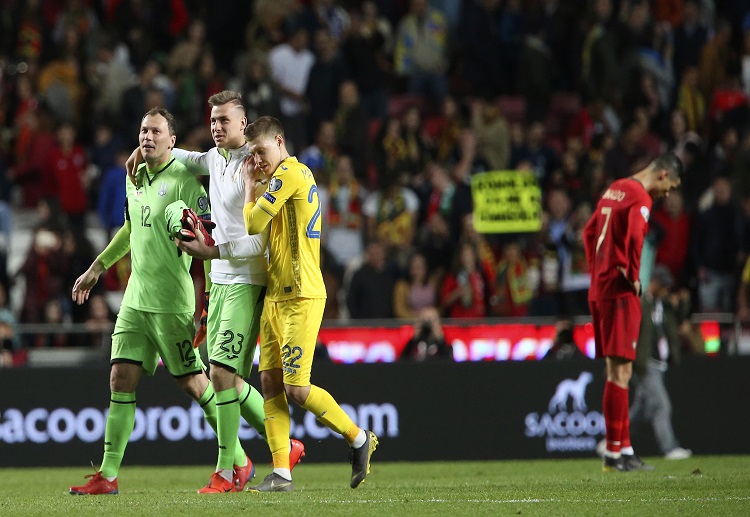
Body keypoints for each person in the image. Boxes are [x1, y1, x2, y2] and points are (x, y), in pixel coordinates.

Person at [67, 108, 251, 495]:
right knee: (120, 378)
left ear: (172, 140)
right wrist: (98, 267)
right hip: (136, 299)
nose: (147, 136)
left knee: (193, 383)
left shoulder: (185, 179)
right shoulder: (133, 176)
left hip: (172, 301)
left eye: (156, 131)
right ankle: (108, 476)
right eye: (142, 130)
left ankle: (238, 459)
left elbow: (207, 238)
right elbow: (131, 228)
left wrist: (206, 299)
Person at [156, 90, 305, 493]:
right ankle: (285, 447)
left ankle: (228, 470)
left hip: (248, 280)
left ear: (244, 124)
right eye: (213, 120)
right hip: (220, 281)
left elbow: (261, 243)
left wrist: (212, 249)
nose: (216, 126)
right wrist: (148, 151)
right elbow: (185, 157)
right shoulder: (215, 157)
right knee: (229, 380)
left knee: (221, 373)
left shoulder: (255, 168)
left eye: (224, 120)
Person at [241, 116, 377, 492]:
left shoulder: (291, 174)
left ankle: (359, 438)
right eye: (252, 155)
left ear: (279, 142)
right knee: (269, 382)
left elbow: (253, 223)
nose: (258, 161)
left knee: (297, 389)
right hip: (275, 294)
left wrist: (250, 188)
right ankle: (282, 472)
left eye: (262, 152)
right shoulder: (280, 179)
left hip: (301, 294)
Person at [583, 153, 683, 473]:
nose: (667, 194)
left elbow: (588, 232)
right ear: (663, 174)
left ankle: (621, 449)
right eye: (670, 187)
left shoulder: (615, 188)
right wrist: (632, 275)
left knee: (616, 373)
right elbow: (635, 236)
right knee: (621, 374)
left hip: (600, 290)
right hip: (620, 293)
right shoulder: (640, 197)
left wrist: (597, 270)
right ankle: (616, 452)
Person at [630, 265, 693, 460]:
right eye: (664, 286)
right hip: (645, 363)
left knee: (641, 408)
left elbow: (680, 320)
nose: (667, 290)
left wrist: (683, 303)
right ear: (655, 283)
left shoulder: (663, 305)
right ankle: (670, 447)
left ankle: (611, 440)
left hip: (660, 363)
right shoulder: (641, 304)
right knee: (661, 405)